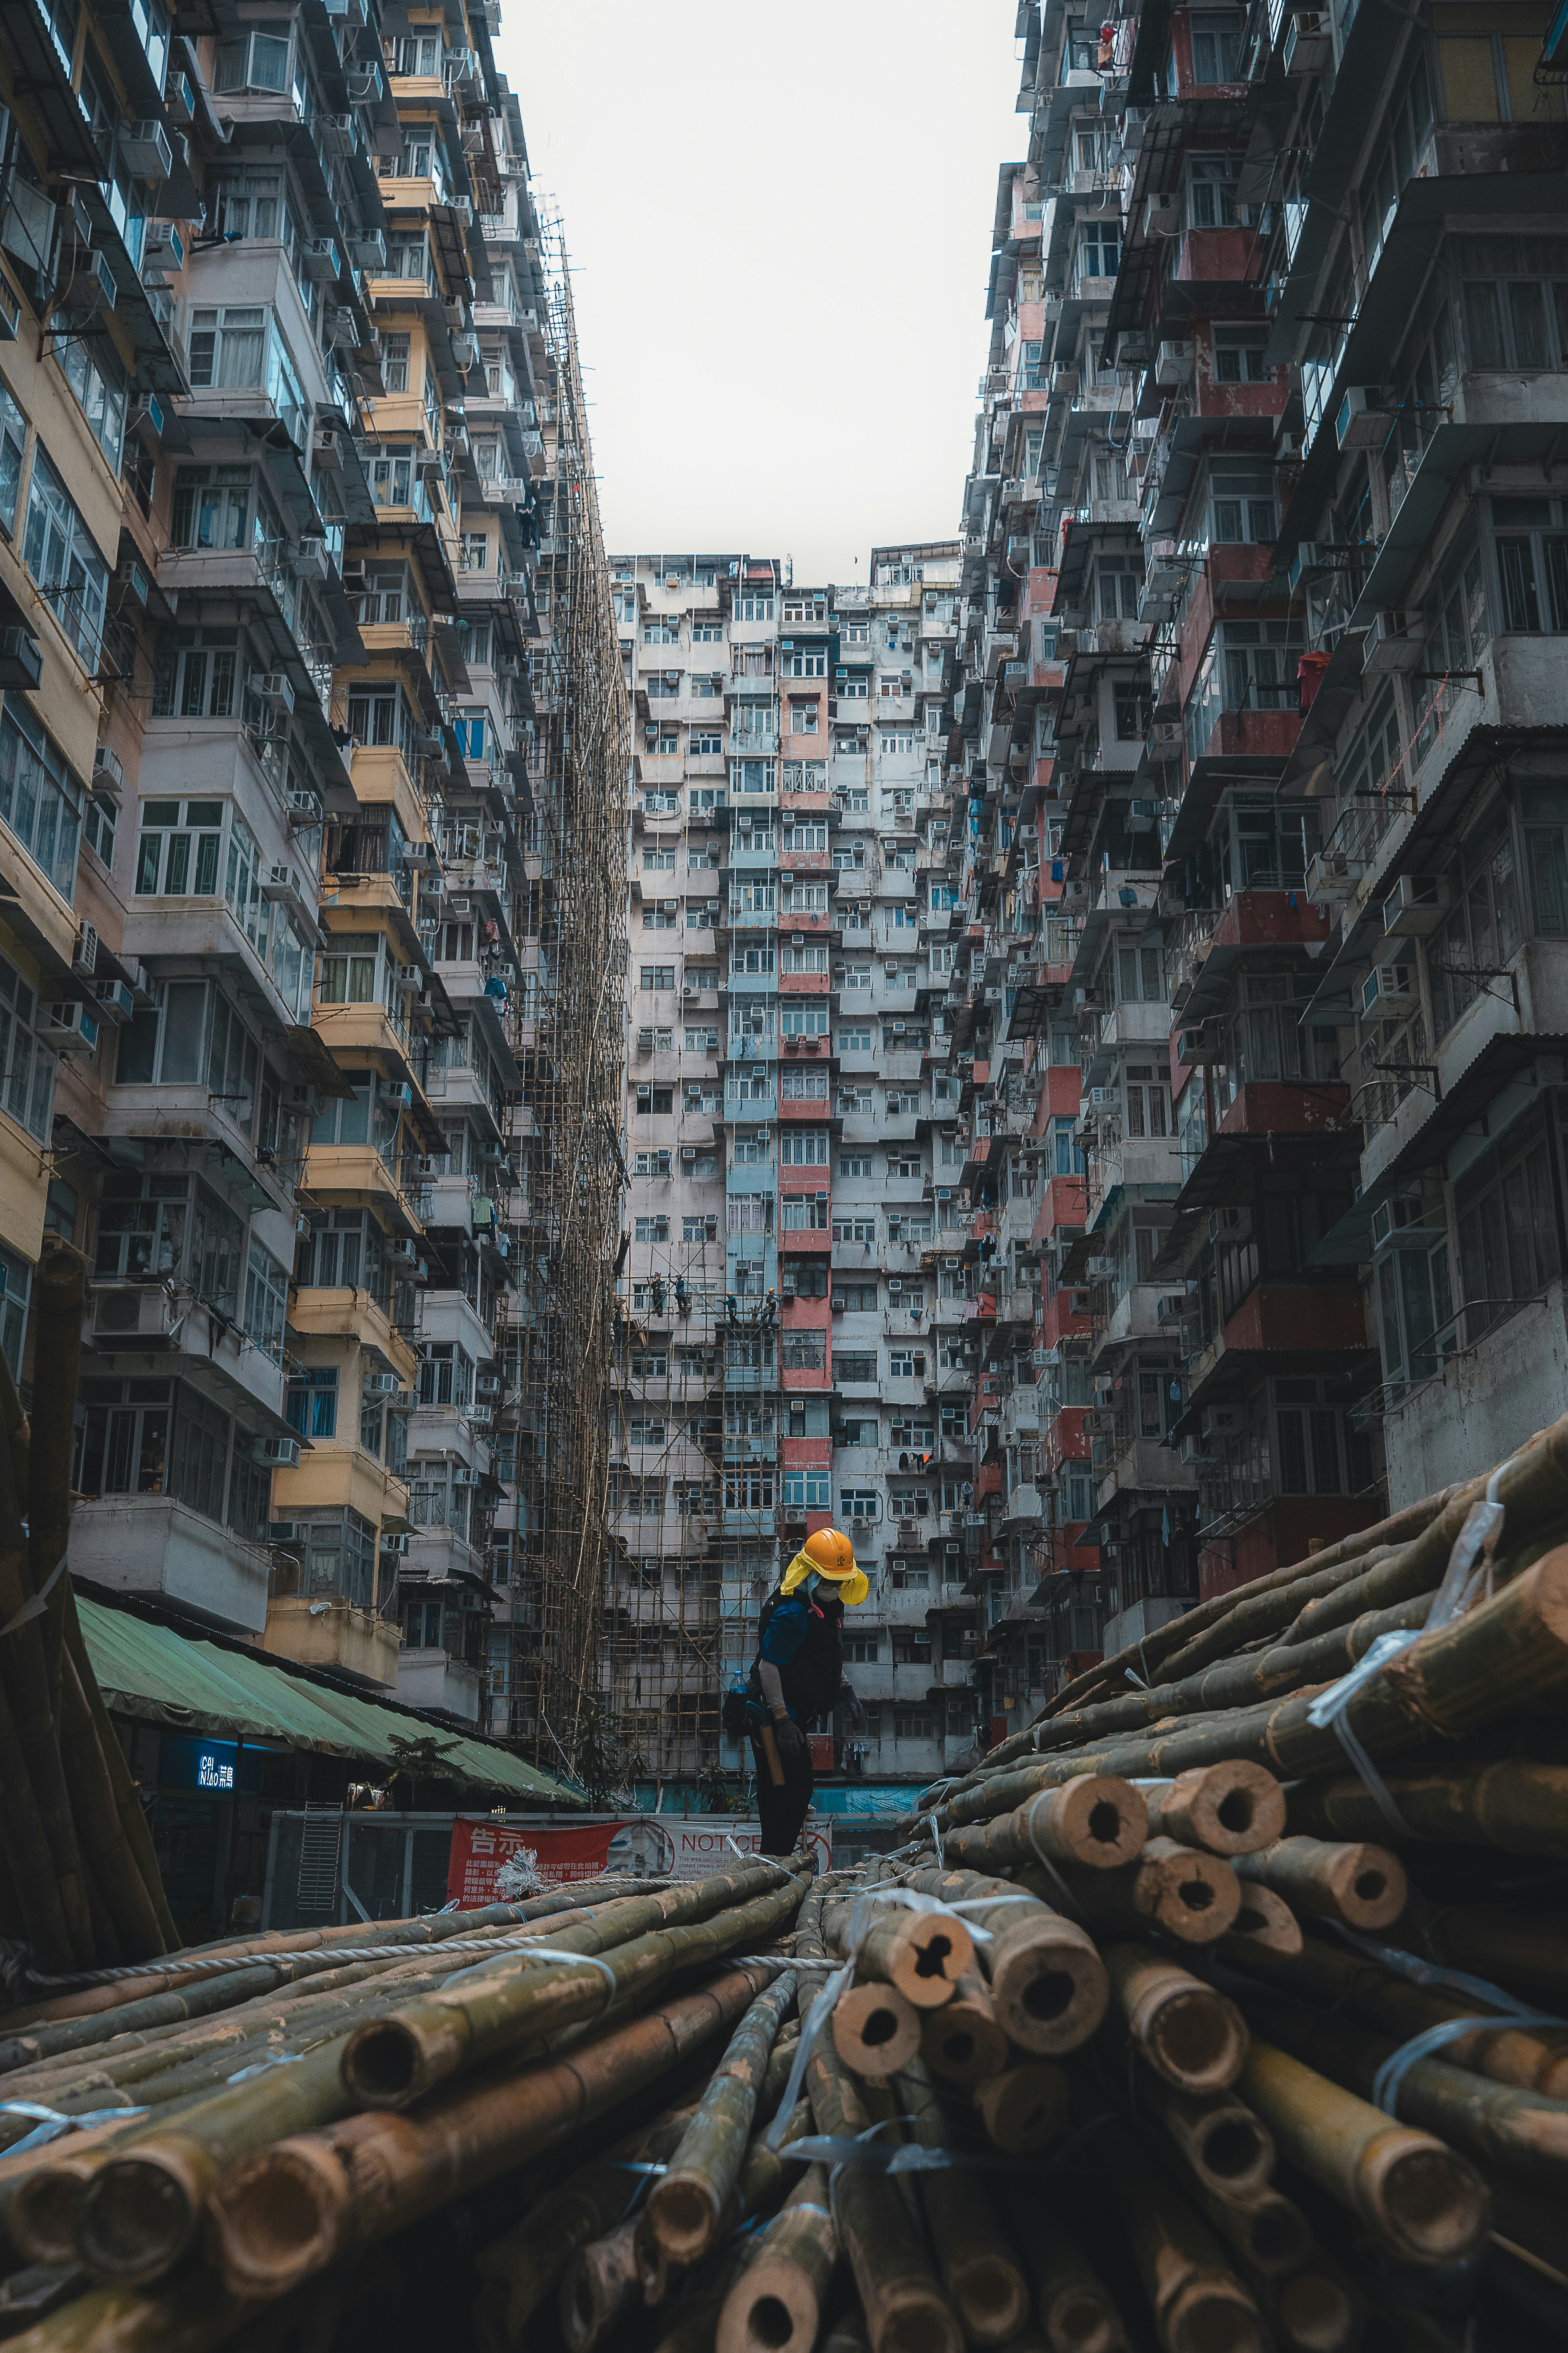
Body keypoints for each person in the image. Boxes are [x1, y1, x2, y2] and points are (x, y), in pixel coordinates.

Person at [744, 1528, 868, 1856]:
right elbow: (768, 1666)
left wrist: (847, 1691)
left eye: (840, 1582)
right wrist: (782, 1720)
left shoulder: (820, 1612)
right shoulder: (794, 1612)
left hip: (795, 1717)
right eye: (828, 1581)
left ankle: (779, 1863)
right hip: (776, 1720)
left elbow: (819, 1659)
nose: (835, 1589)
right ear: (810, 1575)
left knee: (798, 1792)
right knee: (785, 1794)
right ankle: (774, 1863)